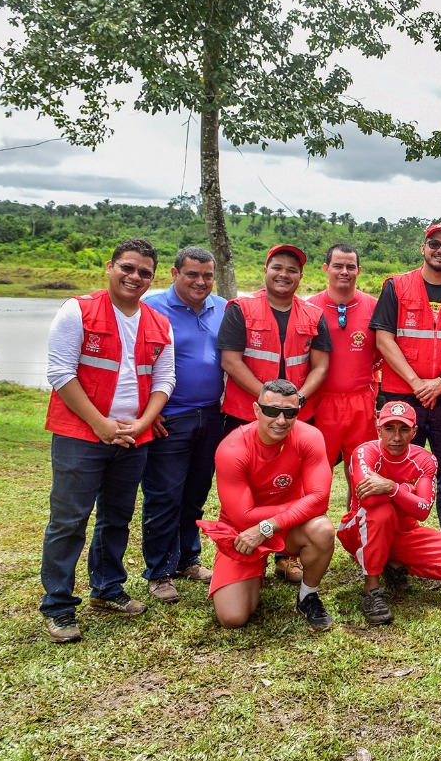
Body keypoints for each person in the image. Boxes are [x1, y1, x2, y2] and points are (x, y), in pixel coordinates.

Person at [39, 238, 176, 643]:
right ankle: (59, 606)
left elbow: (165, 379)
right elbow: (60, 372)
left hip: (133, 436)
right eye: (128, 268)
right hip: (81, 434)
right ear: (110, 267)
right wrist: (99, 424)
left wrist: (142, 424)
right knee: (69, 519)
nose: (135, 277)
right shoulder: (78, 310)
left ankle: (107, 588)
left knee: (117, 516)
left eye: (144, 272)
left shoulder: (157, 322)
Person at [218, 243, 332, 584]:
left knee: (291, 488)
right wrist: (269, 405)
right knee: (245, 486)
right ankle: (243, 546)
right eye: (277, 268)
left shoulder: (313, 314)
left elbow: (321, 366)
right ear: (266, 269)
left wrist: (292, 404)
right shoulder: (240, 308)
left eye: (292, 270)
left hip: (293, 414)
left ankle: (285, 556)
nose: (284, 275)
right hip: (245, 412)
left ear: (301, 276)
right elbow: (230, 361)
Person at [370, 220, 441, 545]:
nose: (440, 250)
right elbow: (384, 339)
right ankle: (398, 541)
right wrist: (417, 381)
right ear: (423, 248)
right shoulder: (396, 286)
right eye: (434, 244)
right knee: (399, 467)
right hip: (401, 397)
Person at [200, 379, 336, 631]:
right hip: (243, 531)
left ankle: (307, 596)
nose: (281, 421)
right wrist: (304, 503)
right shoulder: (232, 447)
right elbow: (242, 516)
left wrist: (269, 526)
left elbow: (321, 499)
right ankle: (253, 570)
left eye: (290, 413)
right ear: (256, 410)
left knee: (322, 529)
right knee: (232, 619)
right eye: (272, 411)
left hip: (283, 526)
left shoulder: (310, 437)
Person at [337, 400, 441, 625]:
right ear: (378, 429)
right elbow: (369, 499)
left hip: (404, 531)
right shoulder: (364, 452)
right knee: (382, 512)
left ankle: (392, 563)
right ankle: (372, 589)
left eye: (404, 429)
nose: (397, 437)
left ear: (414, 432)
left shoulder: (425, 459)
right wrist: (408, 491)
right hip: (360, 529)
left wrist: (392, 487)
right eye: (389, 428)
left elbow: (422, 510)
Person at [140, 246, 224, 603]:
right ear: (174, 274)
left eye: (207, 275)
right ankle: (159, 572)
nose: (200, 282)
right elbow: (136, 362)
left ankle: (188, 558)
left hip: (211, 413)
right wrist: (148, 411)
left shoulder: (222, 307)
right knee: (164, 495)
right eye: (192, 274)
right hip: (169, 417)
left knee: (195, 493)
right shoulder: (152, 308)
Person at [306, 243, 379, 482]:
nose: (344, 271)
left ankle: (358, 519)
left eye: (350, 266)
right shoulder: (308, 307)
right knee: (316, 471)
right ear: (326, 268)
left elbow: (383, 351)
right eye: (338, 266)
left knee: (361, 473)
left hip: (361, 401)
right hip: (321, 401)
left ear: (359, 270)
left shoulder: (374, 307)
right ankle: (314, 519)